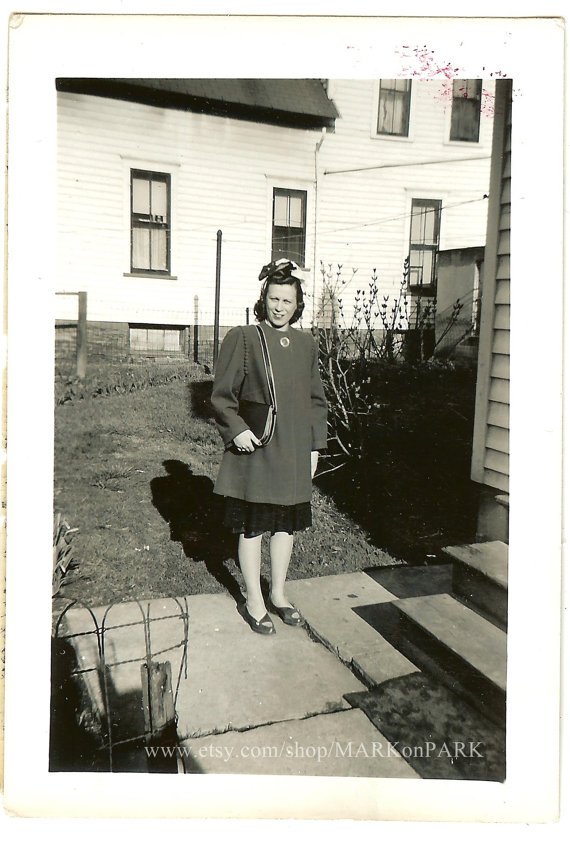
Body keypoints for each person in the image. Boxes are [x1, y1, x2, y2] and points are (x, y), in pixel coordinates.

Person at [210, 259, 328, 635]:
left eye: (287, 301)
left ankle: (277, 593)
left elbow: (315, 400)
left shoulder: (306, 343)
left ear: (298, 306)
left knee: (285, 527)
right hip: (258, 450)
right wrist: (236, 429)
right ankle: (254, 600)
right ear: (264, 299)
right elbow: (222, 395)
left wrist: (314, 447)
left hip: (294, 451)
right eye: (274, 299)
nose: (280, 307)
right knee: (253, 527)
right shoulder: (244, 338)